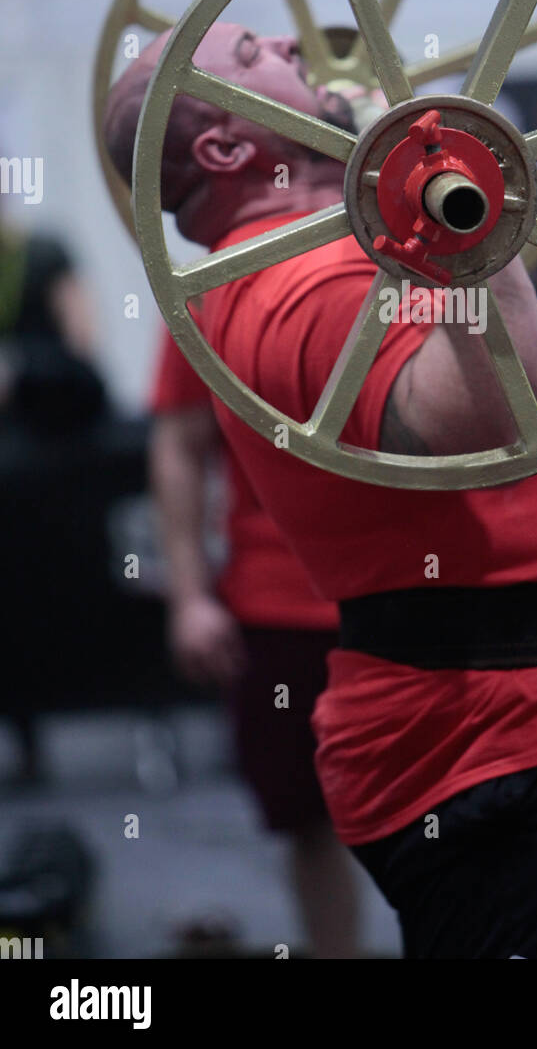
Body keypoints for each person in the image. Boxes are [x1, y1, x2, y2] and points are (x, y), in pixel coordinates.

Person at [105, 23, 537, 960]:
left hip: (531, 717)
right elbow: (492, 417)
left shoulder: (332, 251)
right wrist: (456, 190)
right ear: (228, 146)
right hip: (493, 735)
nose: (295, 40)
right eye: (257, 54)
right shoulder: (290, 286)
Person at [149, 324, 359, 959]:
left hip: (415, 597)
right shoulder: (210, 291)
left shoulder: (420, 279)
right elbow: (179, 442)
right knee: (306, 820)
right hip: (279, 607)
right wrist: (188, 596)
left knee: (448, 820)